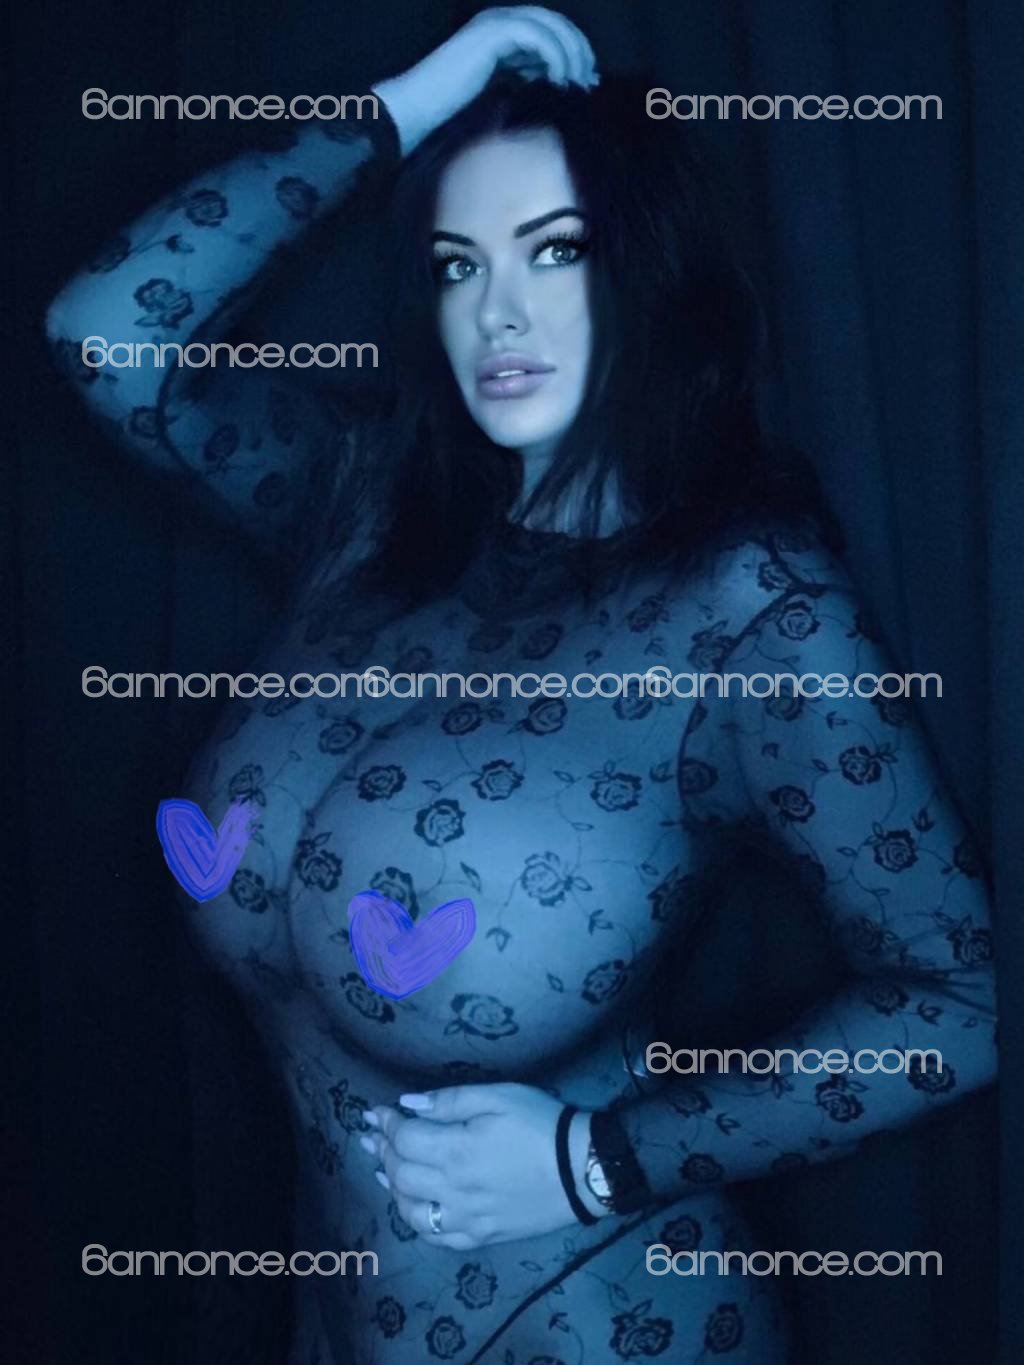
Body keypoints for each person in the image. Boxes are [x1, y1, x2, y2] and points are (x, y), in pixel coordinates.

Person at [47, 8, 996, 1363]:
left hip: (607, 1322)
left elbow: (964, 1002)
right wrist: (404, 107)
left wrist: (598, 1161)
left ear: (650, 270)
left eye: (556, 251)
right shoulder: (362, 510)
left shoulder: (747, 605)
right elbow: (107, 336)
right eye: (458, 263)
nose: (498, 310)